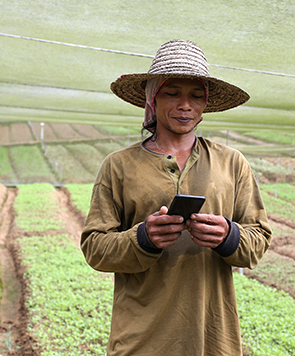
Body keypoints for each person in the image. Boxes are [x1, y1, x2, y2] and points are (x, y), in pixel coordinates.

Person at [81, 39, 272, 356]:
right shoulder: (119, 165)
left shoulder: (231, 163)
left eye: (196, 96)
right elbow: (95, 247)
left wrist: (228, 235)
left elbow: (259, 237)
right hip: (141, 339)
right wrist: (143, 238)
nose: (186, 105)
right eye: (173, 93)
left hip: (213, 339)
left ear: (205, 104)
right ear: (152, 99)